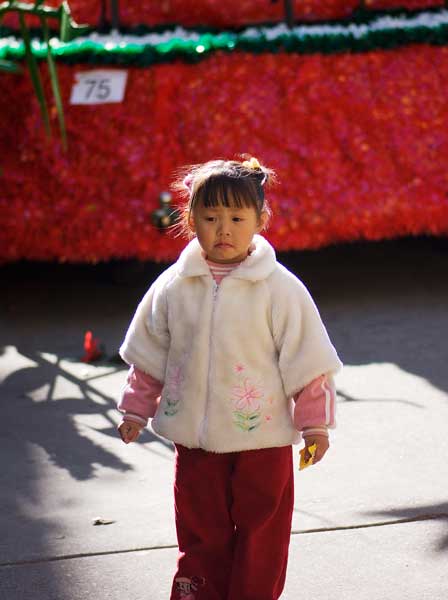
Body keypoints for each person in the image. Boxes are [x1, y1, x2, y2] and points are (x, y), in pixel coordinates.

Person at [117, 156, 342, 600]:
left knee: (263, 532)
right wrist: (135, 410)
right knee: (201, 528)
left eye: (237, 218)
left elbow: (308, 362)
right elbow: (149, 356)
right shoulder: (174, 286)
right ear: (189, 219)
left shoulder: (279, 288)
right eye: (211, 217)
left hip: (263, 441)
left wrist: (315, 424)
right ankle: (197, 593)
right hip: (195, 442)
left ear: (261, 220)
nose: (223, 229)